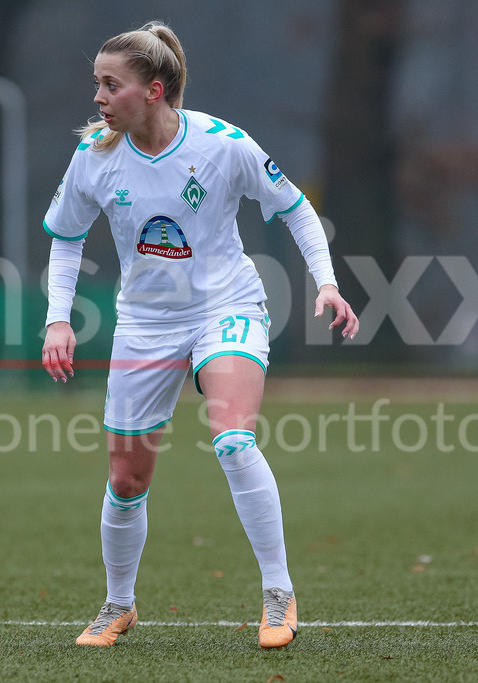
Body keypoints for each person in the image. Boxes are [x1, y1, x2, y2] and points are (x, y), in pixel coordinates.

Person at [41, 21, 359, 649]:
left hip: (227, 306)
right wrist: (58, 317)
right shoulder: (94, 157)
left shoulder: (223, 144)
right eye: (96, 84)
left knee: (234, 437)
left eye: (112, 85)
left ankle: (277, 593)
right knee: (127, 479)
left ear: (153, 90)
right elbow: (66, 239)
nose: (98, 98)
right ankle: (119, 604)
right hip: (145, 323)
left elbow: (295, 208)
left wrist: (325, 282)